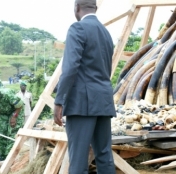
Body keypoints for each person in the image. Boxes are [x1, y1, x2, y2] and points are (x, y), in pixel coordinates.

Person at [53, 0, 116, 173]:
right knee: (104, 156)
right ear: (95, 8)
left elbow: (70, 68)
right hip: (103, 100)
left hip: (82, 103)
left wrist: (59, 100)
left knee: (79, 160)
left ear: (76, 8)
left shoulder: (77, 28)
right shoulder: (106, 33)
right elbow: (107, 68)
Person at [0, 86, 24, 161]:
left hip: (15, 111)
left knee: (12, 132)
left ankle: (10, 157)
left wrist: (14, 117)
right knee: (1, 133)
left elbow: (20, 105)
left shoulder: (8, 95)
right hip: (3, 113)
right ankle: (2, 156)